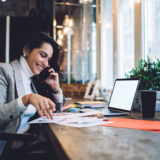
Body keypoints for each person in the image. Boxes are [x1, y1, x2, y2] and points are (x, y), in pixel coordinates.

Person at [0, 31, 65, 158]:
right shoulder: (4, 71)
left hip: (29, 146)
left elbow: (56, 113)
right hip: (8, 152)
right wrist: (26, 99)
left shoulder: (33, 80)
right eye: (42, 55)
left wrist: (55, 89)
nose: (46, 63)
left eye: (49, 59)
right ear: (26, 50)